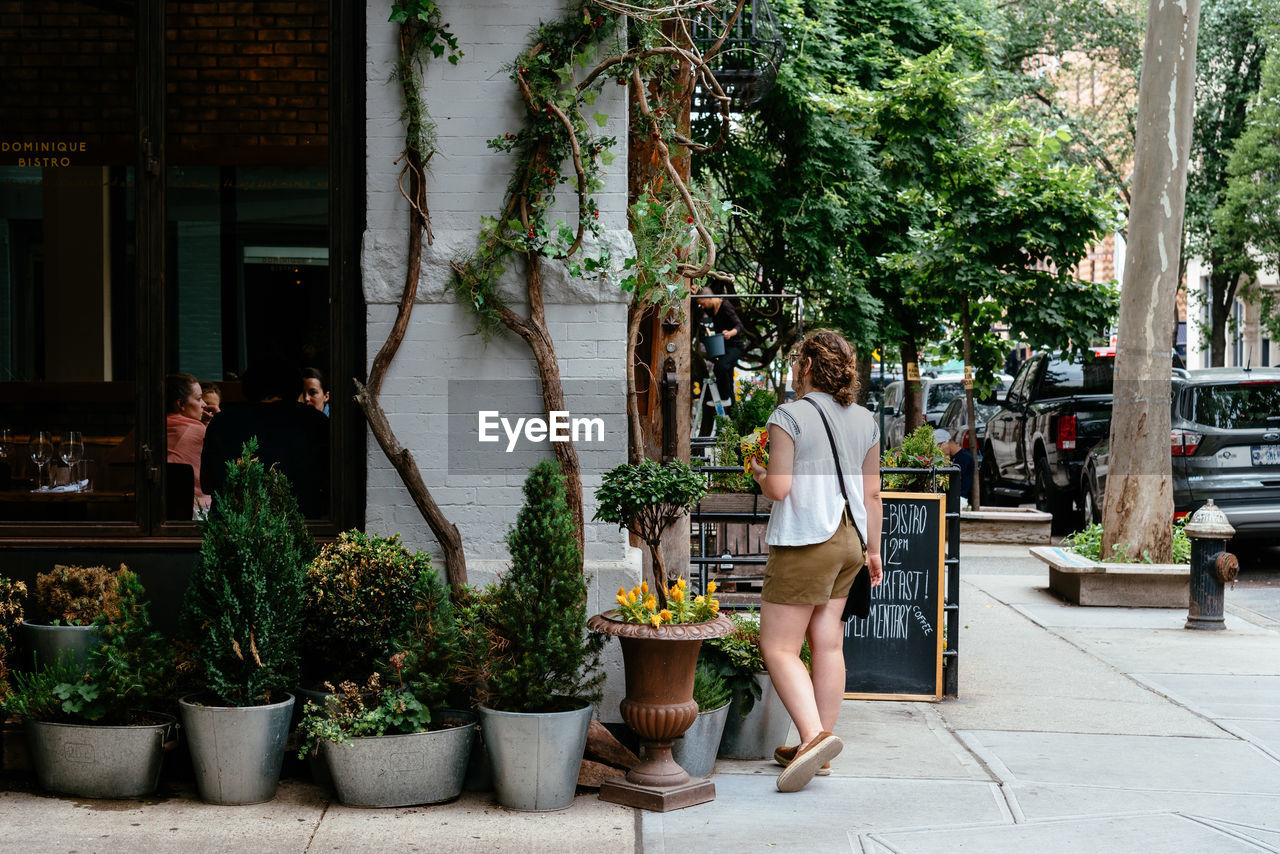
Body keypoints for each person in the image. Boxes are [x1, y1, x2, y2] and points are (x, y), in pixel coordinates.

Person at [749, 329, 883, 793]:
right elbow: (872, 492)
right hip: (851, 540)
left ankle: (812, 737)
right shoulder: (865, 419)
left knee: (779, 647)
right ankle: (821, 753)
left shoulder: (789, 415)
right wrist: (874, 549)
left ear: (806, 365)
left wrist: (758, 471)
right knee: (827, 644)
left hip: (808, 539)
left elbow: (780, 489)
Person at [201, 358, 330, 518]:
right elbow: (328, 480)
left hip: (236, 525)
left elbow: (208, 483)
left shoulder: (223, 422)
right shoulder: (315, 421)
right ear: (295, 386)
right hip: (304, 523)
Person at [695, 287, 746, 413]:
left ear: (709, 298)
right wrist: (696, 291)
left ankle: (724, 397)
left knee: (720, 366)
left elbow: (739, 326)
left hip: (736, 346)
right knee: (727, 377)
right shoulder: (711, 309)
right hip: (725, 348)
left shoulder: (726, 306)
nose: (702, 306)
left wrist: (730, 333)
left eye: (702, 303)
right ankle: (732, 411)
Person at [165, 373, 211, 512]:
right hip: (195, 508)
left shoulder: (148, 426)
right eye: (199, 399)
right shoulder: (196, 429)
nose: (204, 404)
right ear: (181, 404)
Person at [934, 426, 974, 504]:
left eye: (939, 447)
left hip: (960, 499)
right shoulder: (954, 457)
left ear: (944, 443)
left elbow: (952, 480)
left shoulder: (964, 457)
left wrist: (945, 457)